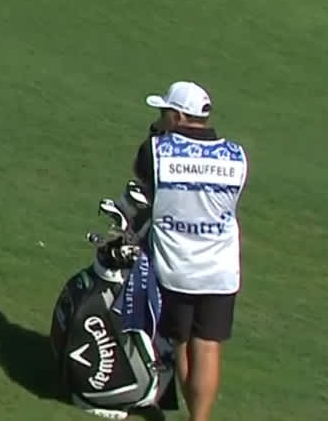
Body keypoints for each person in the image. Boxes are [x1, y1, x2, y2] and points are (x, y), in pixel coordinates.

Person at [132, 81, 248, 421]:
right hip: (221, 268)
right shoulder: (237, 156)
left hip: (177, 266)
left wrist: (155, 134)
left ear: (178, 116)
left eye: (164, 112)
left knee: (181, 342)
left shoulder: (157, 150)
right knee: (208, 346)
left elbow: (142, 177)